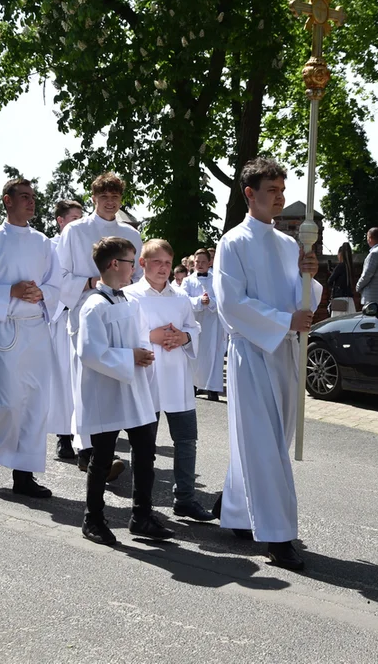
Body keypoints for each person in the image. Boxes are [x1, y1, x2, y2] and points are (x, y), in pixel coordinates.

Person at [211, 157, 322, 571]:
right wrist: (282, 321)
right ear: (249, 194)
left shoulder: (289, 244)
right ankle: (278, 536)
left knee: (272, 439)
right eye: (272, 190)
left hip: (284, 351)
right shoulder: (232, 243)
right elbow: (231, 303)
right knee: (263, 442)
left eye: (282, 189)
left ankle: (238, 510)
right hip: (251, 351)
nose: (281, 197)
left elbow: (301, 298)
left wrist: (307, 276)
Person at [75, 236, 173, 545]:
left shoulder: (130, 301)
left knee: (145, 454)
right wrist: (130, 356)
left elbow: (141, 335)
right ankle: (93, 519)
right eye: (132, 262)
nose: (135, 268)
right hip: (108, 391)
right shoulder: (93, 305)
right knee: (102, 457)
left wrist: (142, 353)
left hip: (135, 389)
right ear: (115, 264)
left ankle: (141, 516)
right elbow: (90, 352)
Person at [0, 178, 63, 498]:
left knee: (35, 402)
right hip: (5, 326)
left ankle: (24, 477)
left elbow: (57, 284)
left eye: (33, 197)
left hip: (36, 327)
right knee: (7, 401)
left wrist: (43, 293)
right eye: (24, 196)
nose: (31, 201)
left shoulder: (45, 243)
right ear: (7, 201)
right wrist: (10, 290)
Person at [56, 172, 141, 476]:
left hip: (119, 314)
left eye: (115, 196)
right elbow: (60, 277)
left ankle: (104, 448)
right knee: (86, 381)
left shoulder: (131, 234)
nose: (109, 201)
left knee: (112, 381)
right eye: (104, 196)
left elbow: (138, 279)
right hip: (85, 312)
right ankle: (87, 450)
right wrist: (92, 281)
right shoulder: (75, 232)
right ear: (93, 197)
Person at [124, 239, 213, 522]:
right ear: (142, 264)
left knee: (186, 441)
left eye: (167, 262)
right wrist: (152, 336)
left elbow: (193, 327)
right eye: (156, 262)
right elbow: (122, 332)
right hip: (147, 376)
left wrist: (184, 337)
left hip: (177, 377)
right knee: (144, 445)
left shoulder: (180, 297)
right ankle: (143, 505)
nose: (163, 268)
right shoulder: (130, 295)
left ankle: (185, 498)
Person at [49, 199, 85, 459]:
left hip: (87, 318)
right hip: (60, 319)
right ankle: (64, 436)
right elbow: (52, 283)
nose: (79, 223)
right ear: (60, 221)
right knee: (63, 380)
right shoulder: (48, 247)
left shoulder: (86, 246)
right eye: (74, 218)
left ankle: (89, 437)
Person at [181, 248, 226, 402]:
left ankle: (212, 388)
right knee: (196, 353)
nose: (199, 265)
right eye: (197, 262)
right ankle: (194, 384)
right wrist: (199, 301)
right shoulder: (188, 280)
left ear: (210, 262)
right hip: (195, 320)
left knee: (214, 353)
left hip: (213, 323)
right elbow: (183, 298)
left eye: (203, 262)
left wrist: (211, 302)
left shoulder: (217, 278)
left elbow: (223, 298)